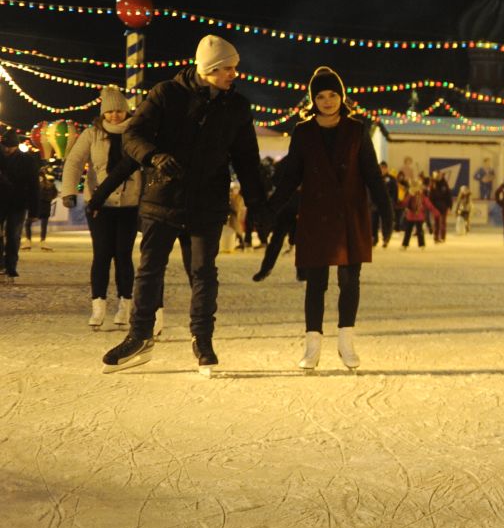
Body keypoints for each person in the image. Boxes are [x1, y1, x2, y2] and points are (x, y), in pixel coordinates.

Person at [98, 35, 266, 373]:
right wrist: (154, 156)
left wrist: (261, 206)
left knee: (204, 273)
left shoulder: (236, 106)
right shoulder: (166, 94)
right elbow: (132, 136)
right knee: (149, 271)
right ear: (208, 69)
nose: (234, 74)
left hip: (207, 203)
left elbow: (247, 159)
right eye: (227, 69)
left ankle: (202, 340)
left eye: (235, 68)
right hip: (163, 198)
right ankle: (140, 335)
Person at [262, 67, 395, 370]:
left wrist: (386, 213)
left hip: (350, 215)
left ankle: (346, 343)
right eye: (320, 96)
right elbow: (290, 177)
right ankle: (313, 347)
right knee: (315, 283)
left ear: (341, 96)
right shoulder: (304, 131)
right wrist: (269, 210)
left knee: (349, 281)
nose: (327, 101)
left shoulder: (357, 130)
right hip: (315, 216)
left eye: (333, 95)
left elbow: (373, 176)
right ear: (313, 99)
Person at [59, 87, 146, 329]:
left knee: (123, 255)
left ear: (126, 111)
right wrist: (68, 191)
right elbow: (74, 161)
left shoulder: (137, 132)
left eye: (119, 111)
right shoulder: (92, 134)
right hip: (100, 205)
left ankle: (125, 304)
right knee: (102, 255)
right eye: (109, 112)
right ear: (102, 113)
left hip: (130, 204)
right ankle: (98, 305)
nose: (114, 116)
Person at [1, 130, 39, 281]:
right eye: (4, 146)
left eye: (10, 146)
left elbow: (34, 186)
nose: (6, 149)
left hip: (18, 204)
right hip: (1, 202)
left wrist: (34, 211)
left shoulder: (27, 160)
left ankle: (11, 268)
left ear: (16, 146)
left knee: (13, 236)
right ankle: (1, 265)